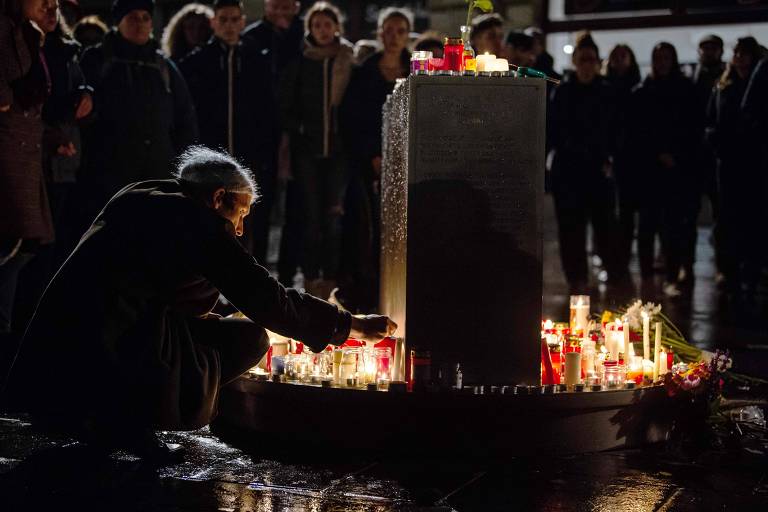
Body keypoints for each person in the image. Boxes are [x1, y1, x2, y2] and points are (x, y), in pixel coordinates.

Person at [3, 146, 396, 463]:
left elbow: (165, 284)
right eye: (239, 213)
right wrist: (350, 326)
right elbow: (268, 298)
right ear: (218, 197)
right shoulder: (200, 224)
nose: (239, 228)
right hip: (115, 345)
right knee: (250, 337)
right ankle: (134, 418)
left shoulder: (141, 192)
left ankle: (113, 415)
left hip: (59, 351)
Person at [77, 0, 198, 228]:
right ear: (118, 22)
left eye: (146, 17)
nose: (141, 23)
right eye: (133, 17)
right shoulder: (97, 61)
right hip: (107, 178)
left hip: (158, 174)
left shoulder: (163, 66)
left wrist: (183, 168)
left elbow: (185, 120)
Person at [179, 0, 277, 260]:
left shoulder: (257, 61)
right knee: (209, 217)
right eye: (223, 20)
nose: (230, 26)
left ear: (243, 22)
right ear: (214, 23)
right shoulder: (196, 62)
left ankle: (248, 282)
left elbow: (268, 112)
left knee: (247, 220)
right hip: (210, 157)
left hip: (248, 156)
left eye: (235, 20)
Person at [279, 1, 353, 299]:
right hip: (307, 151)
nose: (323, 31)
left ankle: (331, 281)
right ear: (310, 29)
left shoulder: (349, 58)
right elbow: (285, 103)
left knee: (334, 217)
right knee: (310, 218)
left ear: (337, 27)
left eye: (328, 24)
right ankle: (310, 282)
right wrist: (300, 129)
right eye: (317, 25)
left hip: (339, 151)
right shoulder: (301, 61)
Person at [340, 7, 411, 311]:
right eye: (389, 30)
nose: (394, 37)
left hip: (408, 160)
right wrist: (372, 155)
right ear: (380, 33)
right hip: (370, 162)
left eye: (400, 31)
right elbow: (352, 119)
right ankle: (368, 292)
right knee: (368, 228)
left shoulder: (415, 71)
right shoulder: (365, 72)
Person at [548, 32, 628, 294]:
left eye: (591, 60)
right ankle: (577, 280)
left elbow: (617, 130)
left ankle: (612, 274)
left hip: (597, 170)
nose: (586, 65)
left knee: (605, 228)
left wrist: (611, 158)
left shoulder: (607, 91)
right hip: (570, 172)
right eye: (582, 60)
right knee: (571, 231)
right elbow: (554, 130)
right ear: (575, 62)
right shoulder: (564, 92)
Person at [0, 0, 55, 359]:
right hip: (8, 157)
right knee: (8, 253)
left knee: (17, 256)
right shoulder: (6, 29)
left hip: (23, 156)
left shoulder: (27, 33)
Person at [626, 42, 700, 297]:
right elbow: (637, 132)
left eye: (666, 57)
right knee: (647, 227)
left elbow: (691, 129)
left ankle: (672, 274)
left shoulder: (685, 90)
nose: (662, 62)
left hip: (675, 171)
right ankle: (647, 277)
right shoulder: (643, 92)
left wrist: (675, 155)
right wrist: (657, 153)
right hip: (649, 171)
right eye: (658, 57)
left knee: (672, 227)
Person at [242, 0, 303, 281]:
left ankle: (288, 276)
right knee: (258, 207)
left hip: (299, 134)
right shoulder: (251, 39)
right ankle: (255, 274)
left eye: (287, 3)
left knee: (295, 208)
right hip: (261, 134)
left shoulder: (304, 34)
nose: (282, 8)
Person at [706, 37, 765, 298]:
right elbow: (711, 119)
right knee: (726, 217)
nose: (739, 58)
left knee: (753, 217)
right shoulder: (723, 86)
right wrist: (715, 142)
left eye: (744, 53)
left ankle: (751, 271)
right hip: (728, 162)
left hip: (754, 161)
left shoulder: (760, 85)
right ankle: (727, 270)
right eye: (737, 53)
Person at [602, 44, 641, 276]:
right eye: (614, 56)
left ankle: (622, 260)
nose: (618, 60)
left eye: (623, 56)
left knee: (626, 214)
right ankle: (610, 259)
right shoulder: (604, 88)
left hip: (630, 157)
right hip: (608, 156)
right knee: (608, 214)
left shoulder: (636, 87)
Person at [692, 34, 726, 284]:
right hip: (694, 154)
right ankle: (685, 265)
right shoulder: (693, 77)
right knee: (687, 215)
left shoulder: (726, 78)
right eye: (705, 48)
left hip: (716, 155)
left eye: (713, 48)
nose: (709, 52)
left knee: (721, 214)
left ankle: (722, 265)